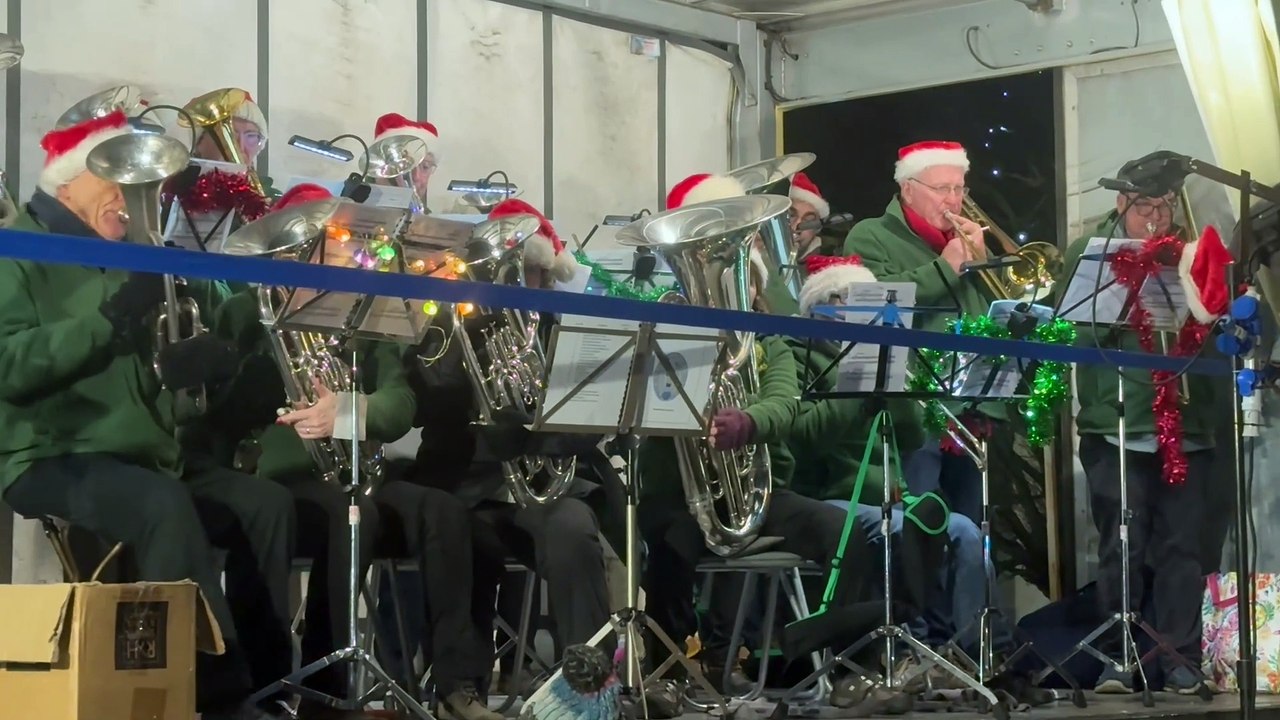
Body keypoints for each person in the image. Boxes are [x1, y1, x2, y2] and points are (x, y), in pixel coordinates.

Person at [0, 110, 295, 720]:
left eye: (143, 184)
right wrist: (106, 323)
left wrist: (225, 348)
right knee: (162, 505)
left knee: (266, 506)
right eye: (113, 179)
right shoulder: (18, 250)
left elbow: (218, 317)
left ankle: (270, 685)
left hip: (149, 453)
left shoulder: (141, 252)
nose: (134, 198)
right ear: (68, 184)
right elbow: (10, 366)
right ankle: (214, 695)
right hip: (51, 450)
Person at [206, 184, 499, 720]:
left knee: (443, 511)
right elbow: (219, 408)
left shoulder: (367, 319)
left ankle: (457, 685)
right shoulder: (246, 316)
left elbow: (400, 403)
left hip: (361, 476)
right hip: (284, 480)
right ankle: (326, 683)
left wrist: (348, 409)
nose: (334, 257)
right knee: (350, 516)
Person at [635, 228, 867, 697]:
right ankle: (670, 669)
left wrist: (748, 420)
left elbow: (785, 402)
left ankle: (850, 668)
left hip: (757, 492)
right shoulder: (671, 340)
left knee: (846, 533)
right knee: (669, 540)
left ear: (754, 291)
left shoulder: (771, 343)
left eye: (742, 286)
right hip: (682, 492)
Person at [402, 197, 615, 673]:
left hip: (545, 490)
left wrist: (527, 435)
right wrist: (459, 333)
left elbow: (589, 425)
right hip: (467, 489)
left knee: (575, 531)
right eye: (511, 270)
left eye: (534, 272)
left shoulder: (564, 332)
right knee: (458, 541)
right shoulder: (452, 323)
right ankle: (461, 687)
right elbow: (427, 403)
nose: (523, 284)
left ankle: (589, 683)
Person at [1056, 165, 1224, 694]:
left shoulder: (1189, 255)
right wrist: (1118, 299)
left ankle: (1179, 659)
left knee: (1183, 547)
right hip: (1116, 424)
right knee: (1120, 543)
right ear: (1122, 203)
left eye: (1165, 207)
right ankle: (1116, 657)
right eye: (1145, 207)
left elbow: (1212, 329)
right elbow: (1070, 330)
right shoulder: (1093, 253)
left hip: (1185, 423)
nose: (1155, 219)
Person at [843, 141, 1008, 654]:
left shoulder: (964, 242)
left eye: (960, 188)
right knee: (924, 533)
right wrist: (947, 266)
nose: (954, 200)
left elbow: (987, 318)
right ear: (908, 189)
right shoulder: (872, 234)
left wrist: (979, 271)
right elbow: (875, 300)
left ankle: (967, 647)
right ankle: (919, 646)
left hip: (967, 410)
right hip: (913, 411)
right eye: (942, 189)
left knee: (970, 535)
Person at [371, 113, 440, 213]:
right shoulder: (351, 208)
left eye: (425, 167)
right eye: (404, 166)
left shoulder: (430, 222)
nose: (415, 177)